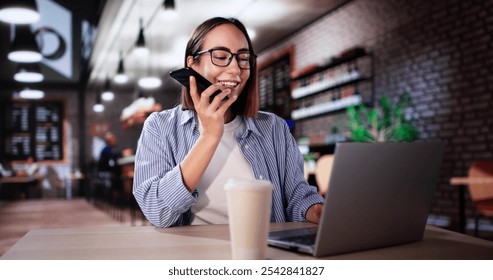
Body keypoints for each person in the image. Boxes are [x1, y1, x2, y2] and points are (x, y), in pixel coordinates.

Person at [133, 17, 324, 228]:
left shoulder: (274, 128)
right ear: (191, 64)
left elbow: (297, 196)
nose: (235, 69)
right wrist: (209, 137)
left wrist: (315, 210)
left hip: (261, 252)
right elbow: (156, 211)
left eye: (243, 58)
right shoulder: (160, 127)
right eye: (221, 56)